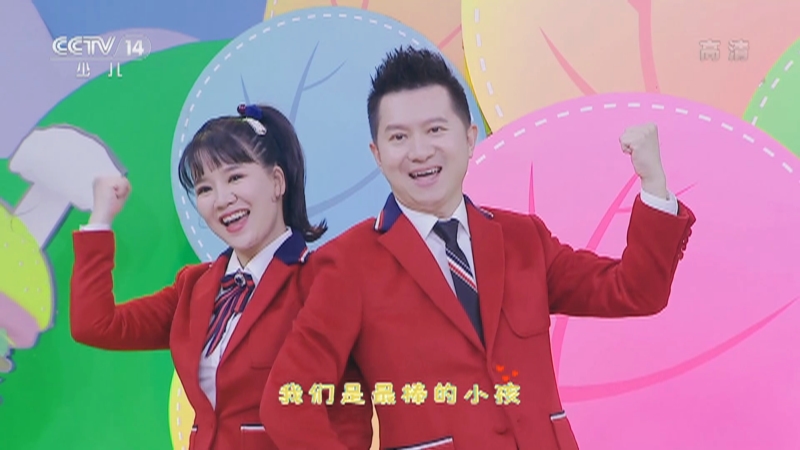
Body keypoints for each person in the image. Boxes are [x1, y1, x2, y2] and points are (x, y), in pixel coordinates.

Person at [259, 47, 697, 450]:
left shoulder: (522, 239)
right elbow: (288, 400)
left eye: (435, 130)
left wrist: (653, 185)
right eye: (398, 138)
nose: (420, 152)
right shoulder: (346, 264)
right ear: (376, 154)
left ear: (469, 138)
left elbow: (635, 291)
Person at [69, 104, 373, 450]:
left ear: (277, 182)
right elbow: (95, 325)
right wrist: (100, 218)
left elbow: (349, 415)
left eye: (235, 177)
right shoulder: (194, 288)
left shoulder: (322, 282)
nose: (222, 200)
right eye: (204, 189)